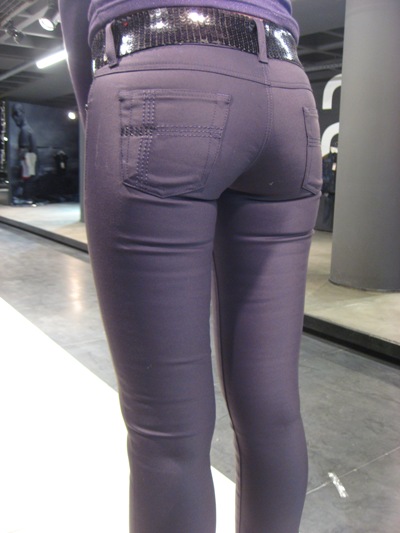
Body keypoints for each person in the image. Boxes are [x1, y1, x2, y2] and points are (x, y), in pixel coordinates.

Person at [59, 1, 322, 531]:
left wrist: (99, 113)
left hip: (159, 76)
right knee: (273, 412)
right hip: (288, 94)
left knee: (168, 433)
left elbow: (73, 15)